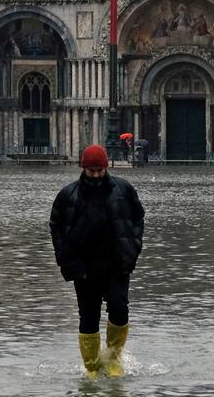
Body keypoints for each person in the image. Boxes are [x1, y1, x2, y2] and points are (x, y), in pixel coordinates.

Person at [49, 144, 145, 379]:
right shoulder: (67, 195)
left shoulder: (123, 189)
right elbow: (56, 228)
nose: (95, 174)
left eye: (99, 170)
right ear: (83, 168)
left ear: (106, 167)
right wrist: (66, 261)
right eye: (91, 170)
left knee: (119, 307)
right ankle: (91, 367)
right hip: (84, 267)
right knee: (88, 316)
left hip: (116, 263)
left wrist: (133, 249)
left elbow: (138, 217)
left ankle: (113, 360)